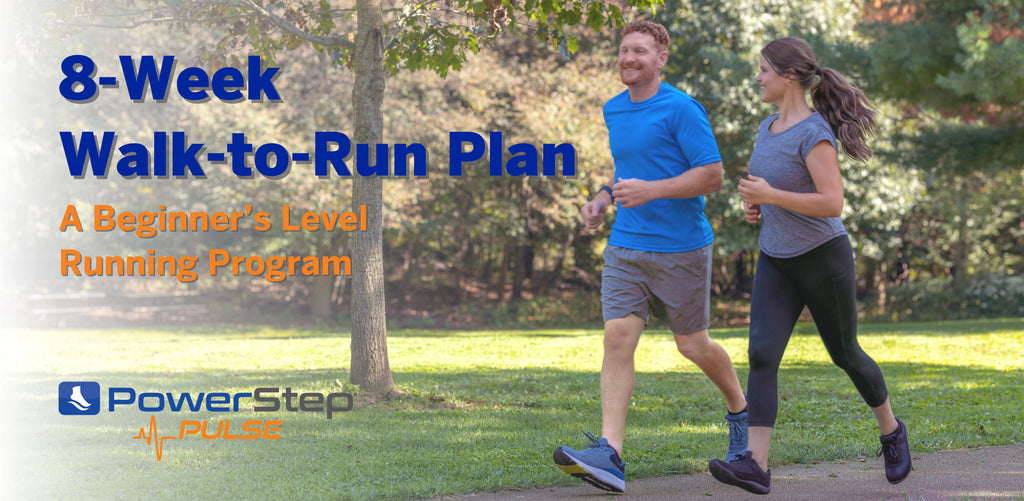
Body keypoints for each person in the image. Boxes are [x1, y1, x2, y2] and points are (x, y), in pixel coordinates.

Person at [707, 37, 911, 495]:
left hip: (823, 259)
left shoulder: (814, 133)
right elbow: (772, 190)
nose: (757, 77)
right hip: (776, 258)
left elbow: (832, 202)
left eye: (763, 69)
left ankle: (891, 432)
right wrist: (756, 207)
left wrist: (772, 196)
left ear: (790, 76)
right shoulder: (766, 127)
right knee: (761, 353)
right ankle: (756, 466)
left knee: (845, 355)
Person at [552, 20, 748, 493]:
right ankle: (610, 453)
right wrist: (603, 198)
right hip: (627, 245)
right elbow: (627, 171)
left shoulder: (682, 108)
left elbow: (713, 176)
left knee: (692, 346)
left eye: (640, 50)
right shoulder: (614, 109)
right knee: (618, 338)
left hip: (682, 248)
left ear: (661, 58)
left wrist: (652, 190)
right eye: (623, 50)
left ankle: (742, 413)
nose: (629, 58)